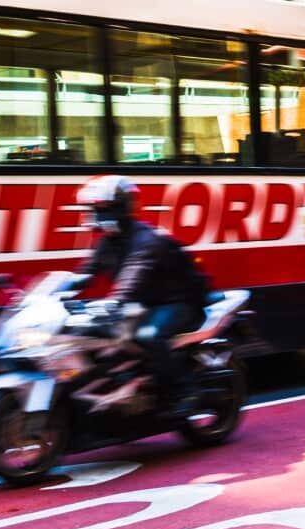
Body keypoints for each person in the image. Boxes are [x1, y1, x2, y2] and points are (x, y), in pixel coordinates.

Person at [73, 175, 209, 420]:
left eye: (99, 208)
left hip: (177, 301)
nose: (93, 215)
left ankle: (185, 389)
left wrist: (115, 301)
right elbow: (84, 274)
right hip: (143, 303)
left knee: (149, 336)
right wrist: (58, 293)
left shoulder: (146, 240)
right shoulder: (107, 244)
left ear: (121, 207)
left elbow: (134, 274)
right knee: (99, 337)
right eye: (91, 209)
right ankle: (127, 386)